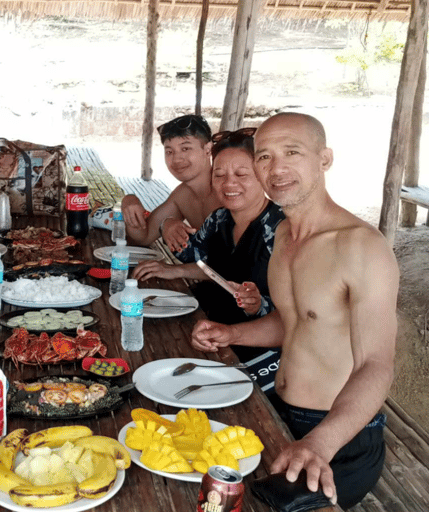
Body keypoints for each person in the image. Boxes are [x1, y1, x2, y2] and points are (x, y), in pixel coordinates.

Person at [191, 112, 397, 508]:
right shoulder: (285, 233)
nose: (276, 168)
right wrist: (232, 334)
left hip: (339, 436)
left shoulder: (361, 246)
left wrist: (321, 443)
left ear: (325, 159)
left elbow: (376, 363)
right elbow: (294, 322)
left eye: (292, 152)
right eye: (264, 157)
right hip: (279, 411)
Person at [132, 128, 284, 398]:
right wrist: (169, 226)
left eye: (241, 174)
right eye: (220, 175)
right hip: (214, 332)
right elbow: (193, 256)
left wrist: (259, 303)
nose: (229, 184)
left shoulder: (280, 230)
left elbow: (296, 317)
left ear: (263, 175)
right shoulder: (219, 219)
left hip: (264, 355)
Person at [121, 114, 221, 252]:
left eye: (185, 148)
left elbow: (232, 262)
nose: (176, 159)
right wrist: (129, 201)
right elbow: (144, 236)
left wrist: (174, 270)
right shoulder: (183, 195)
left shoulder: (228, 191)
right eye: (169, 151)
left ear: (208, 149)